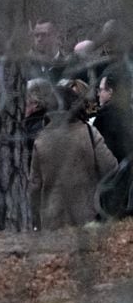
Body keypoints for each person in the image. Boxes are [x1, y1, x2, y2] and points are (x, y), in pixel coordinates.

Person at [30, 79, 117, 231]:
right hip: (88, 217)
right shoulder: (89, 133)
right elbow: (110, 168)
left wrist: (36, 220)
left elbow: (35, 186)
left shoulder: (40, 140)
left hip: (53, 221)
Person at [94, 74, 133, 163]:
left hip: (115, 170)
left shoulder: (103, 117)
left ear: (110, 92)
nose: (98, 94)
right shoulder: (129, 112)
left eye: (100, 90)